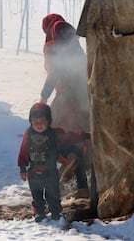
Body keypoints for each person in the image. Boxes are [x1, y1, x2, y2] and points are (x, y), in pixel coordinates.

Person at [40, 13, 91, 198]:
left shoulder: (52, 45)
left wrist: (44, 97)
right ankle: (81, 180)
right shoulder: (74, 42)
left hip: (66, 98)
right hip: (84, 96)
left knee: (53, 135)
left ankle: (59, 182)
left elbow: (53, 74)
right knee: (83, 136)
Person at [17, 103, 90, 222]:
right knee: (37, 195)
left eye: (42, 121)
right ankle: (39, 213)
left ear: (49, 121)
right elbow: (23, 150)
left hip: (50, 172)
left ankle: (56, 212)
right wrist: (22, 168)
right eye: (36, 122)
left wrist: (84, 135)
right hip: (34, 172)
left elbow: (69, 136)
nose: (39, 125)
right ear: (31, 121)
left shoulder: (54, 133)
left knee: (53, 194)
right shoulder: (28, 134)